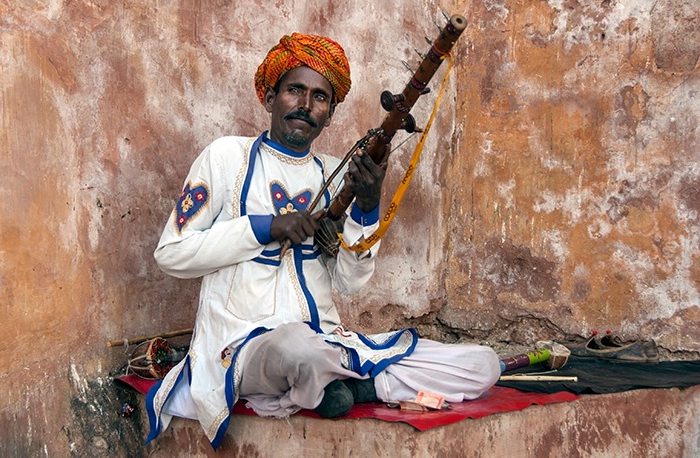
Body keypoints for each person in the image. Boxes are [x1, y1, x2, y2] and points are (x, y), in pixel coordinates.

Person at [146, 32, 500, 449]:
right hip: (244, 347)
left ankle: (342, 388)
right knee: (297, 347)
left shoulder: (336, 175)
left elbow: (350, 281)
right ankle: (334, 381)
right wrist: (264, 228)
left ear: (330, 114)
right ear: (269, 98)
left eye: (319, 97)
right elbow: (172, 254)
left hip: (328, 340)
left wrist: (366, 207)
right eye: (295, 90)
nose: (306, 105)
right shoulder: (226, 157)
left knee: (481, 364)